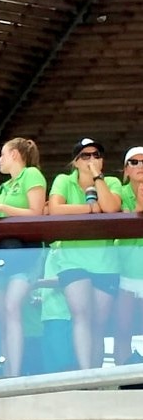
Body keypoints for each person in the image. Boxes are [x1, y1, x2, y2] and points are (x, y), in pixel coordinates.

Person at [48, 138, 121, 370]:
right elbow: (55, 209)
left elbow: (111, 208)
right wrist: (90, 208)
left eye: (96, 155)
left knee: (98, 324)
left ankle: (97, 377)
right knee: (81, 316)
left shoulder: (111, 181)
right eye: (85, 156)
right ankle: (84, 373)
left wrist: (97, 178)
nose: (92, 160)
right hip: (73, 260)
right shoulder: (63, 180)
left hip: (105, 263)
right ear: (75, 161)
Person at [0, 138, 46, 377]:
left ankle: (15, 374)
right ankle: (6, 372)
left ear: (15, 155)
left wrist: (1, 208)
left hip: (26, 251)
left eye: (2, 154)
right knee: (3, 315)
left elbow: (36, 213)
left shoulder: (32, 175)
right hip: (0, 254)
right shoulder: (2, 188)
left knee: (12, 306)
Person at [113, 146, 143, 366]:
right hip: (125, 271)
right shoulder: (118, 193)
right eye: (134, 162)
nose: (140, 166)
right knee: (122, 329)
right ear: (126, 170)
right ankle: (123, 376)